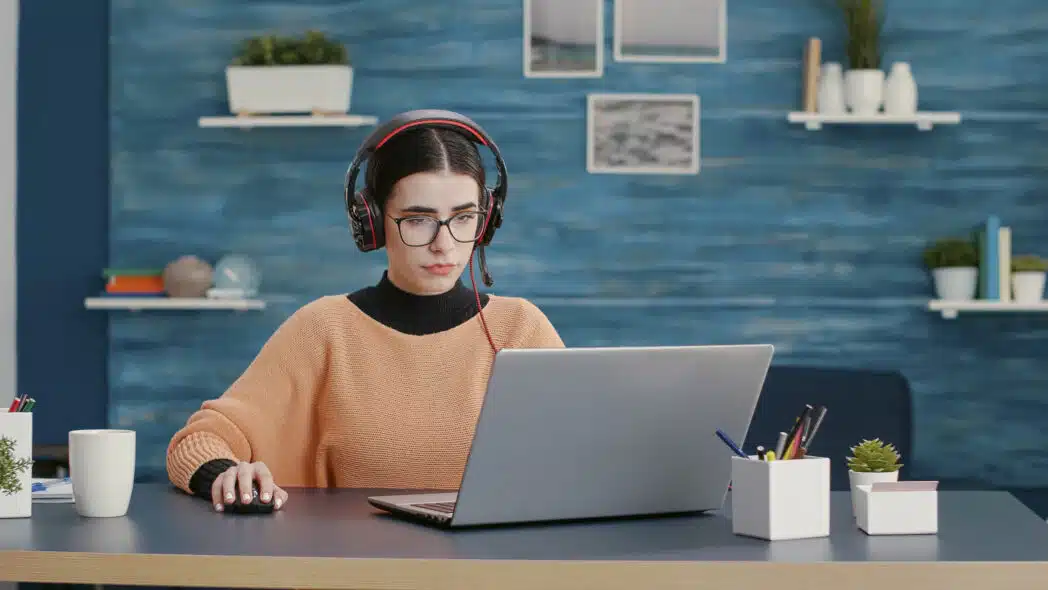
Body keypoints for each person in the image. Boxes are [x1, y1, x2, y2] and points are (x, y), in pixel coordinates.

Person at [165, 111, 565, 513]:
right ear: (372, 222)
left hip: (496, 572)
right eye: (419, 220)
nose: (445, 244)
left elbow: (586, 449)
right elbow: (199, 441)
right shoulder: (323, 330)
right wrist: (223, 473)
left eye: (463, 217)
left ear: (487, 218)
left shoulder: (521, 330)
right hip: (355, 572)